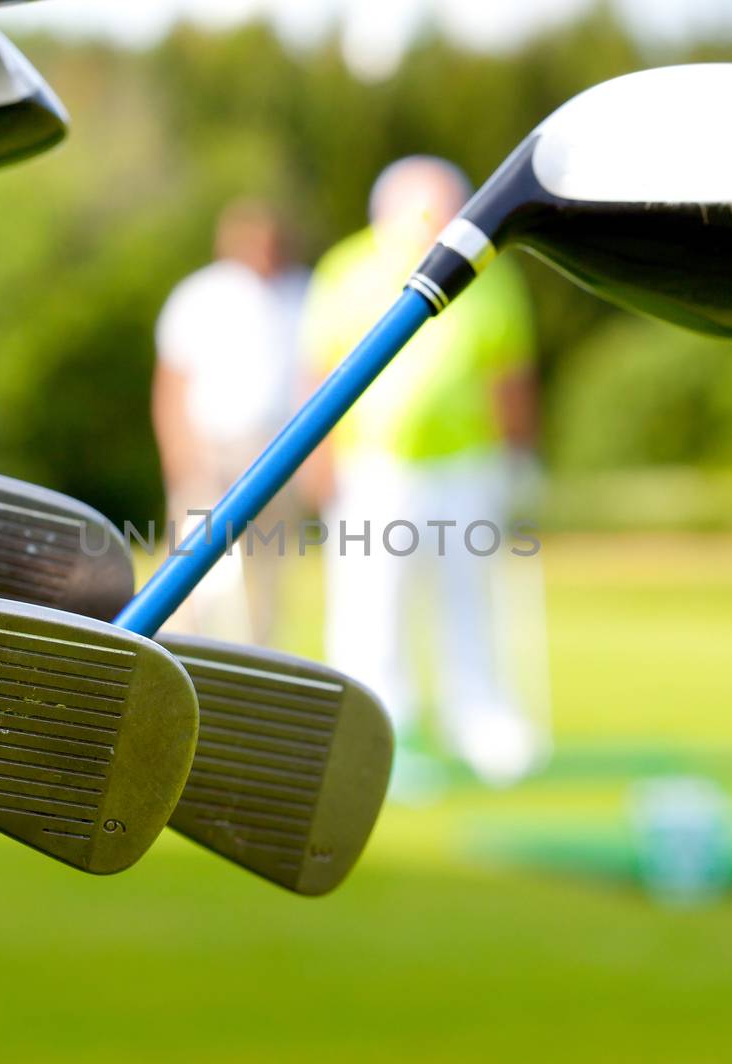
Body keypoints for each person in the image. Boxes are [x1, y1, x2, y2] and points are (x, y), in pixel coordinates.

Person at [301, 156, 546, 796]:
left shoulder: (489, 272)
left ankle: (480, 722)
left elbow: (508, 374)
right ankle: (381, 736)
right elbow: (320, 371)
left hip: (469, 465)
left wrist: (521, 461)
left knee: (468, 598)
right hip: (374, 467)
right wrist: (321, 463)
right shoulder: (347, 268)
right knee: (371, 607)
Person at [153, 200, 308, 645]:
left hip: (278, 448)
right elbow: (172, 383)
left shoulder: (302, 293)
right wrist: (181, 454)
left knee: (267, 569)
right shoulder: (199, 296)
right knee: (195, 567)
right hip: (211, 447)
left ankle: (258, 655)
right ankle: (183, 650)